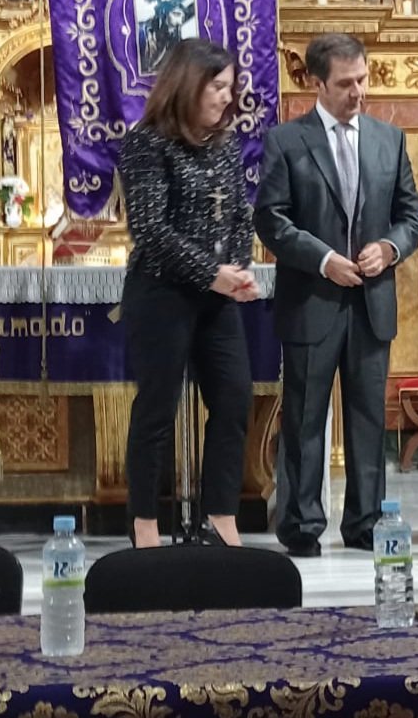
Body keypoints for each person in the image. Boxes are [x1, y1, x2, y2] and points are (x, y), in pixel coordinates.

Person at [254, 33, 418, 556]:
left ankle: (365, 523)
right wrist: (324, 259)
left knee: (369, 419)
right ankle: (301, 526)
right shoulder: (287, 141)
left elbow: (411, 215)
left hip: (372, 303)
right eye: (346, 83)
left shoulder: (389, 139)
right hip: (312, 300)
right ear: (317, 84)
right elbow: (270, 219)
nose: (359, 92)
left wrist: (389, 249)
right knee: (305, 418)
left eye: (363, 80)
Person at [117, 38, 259, 549]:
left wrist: (237, 269)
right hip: (162, 293)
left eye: (229, 87)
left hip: (216, 294)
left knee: (234, 398)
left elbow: (240, 214)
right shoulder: (147, 143)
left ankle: (220, 517)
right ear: (188, 84)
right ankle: (145, 524)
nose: (226, 96)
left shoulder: (223, 144)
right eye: (217, 86)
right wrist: (210, 272)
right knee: (158, 407)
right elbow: (150, 230)